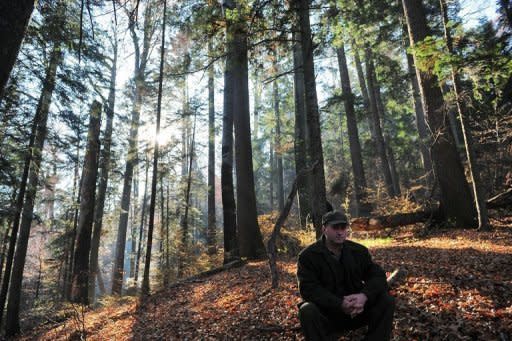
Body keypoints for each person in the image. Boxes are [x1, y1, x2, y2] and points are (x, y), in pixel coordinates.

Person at [297, 210, 395, 340]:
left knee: (386, 300)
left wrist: (364, 296)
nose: (340, 232)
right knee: (307, 310)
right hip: (328, 314)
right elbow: (308, 289)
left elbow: (377, 276)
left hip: (358, 310)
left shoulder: (359, 251)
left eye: (343, 227)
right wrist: (339, 303)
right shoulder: (308, 256)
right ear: (324, 229)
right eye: (335, 227)